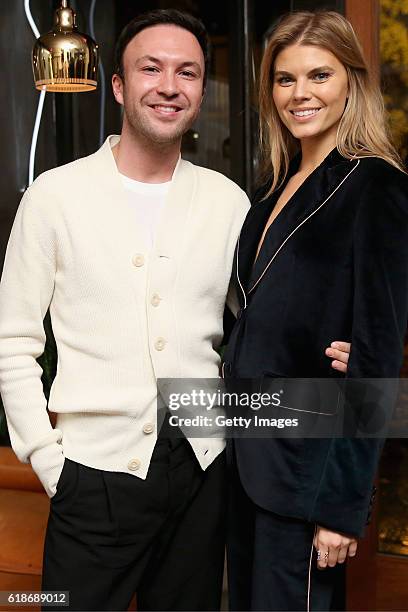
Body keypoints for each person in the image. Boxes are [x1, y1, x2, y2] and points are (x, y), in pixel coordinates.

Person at [0, 8, 350, 612]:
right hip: (91, 475)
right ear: (118, 85)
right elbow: (13, 343)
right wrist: (49, 462)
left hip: (203, 471)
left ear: (200, 89)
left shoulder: (227, 201)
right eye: (150, 68)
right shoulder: (53, 197)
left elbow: (259, 325)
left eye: (187, 72)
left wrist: (330, 347)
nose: (169, 85)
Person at [223, 10, 408, 612]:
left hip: (309, 477)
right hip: (248, 462)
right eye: (284, 79)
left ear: (351, 81)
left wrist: (342, 507)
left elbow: (377, 357)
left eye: (319, 75)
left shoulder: (374, 186)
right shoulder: (270, 191)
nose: (300, 94)